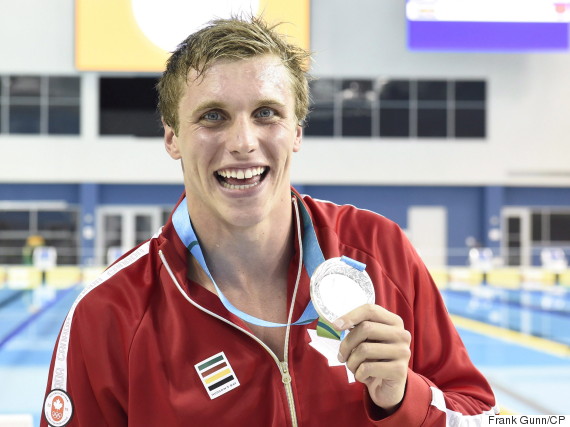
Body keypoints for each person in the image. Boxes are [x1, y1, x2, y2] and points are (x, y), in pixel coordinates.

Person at [41, 16, 498, 426]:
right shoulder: (110, 314)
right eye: (213, 116)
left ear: (296, 131)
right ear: (172, 137)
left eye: (266, 113)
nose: (243, 141)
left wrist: (403, 401)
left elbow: (480, 415)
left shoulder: (379, 250)